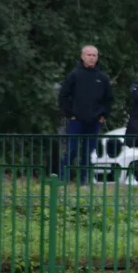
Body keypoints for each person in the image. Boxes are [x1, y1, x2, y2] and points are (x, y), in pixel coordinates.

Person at [57, 45, 113, 183]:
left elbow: (109, 99)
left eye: (94, 55)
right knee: (72, 150)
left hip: (94, 122)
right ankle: (63, 180)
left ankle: (84, 181)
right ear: (82, 56)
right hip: (76, 120)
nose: (92, 58)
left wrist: (103, 115)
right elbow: (63, 96)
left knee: (88, 153)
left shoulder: (102, 77)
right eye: (89, 55)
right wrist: (70, 113)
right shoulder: (74, 75)